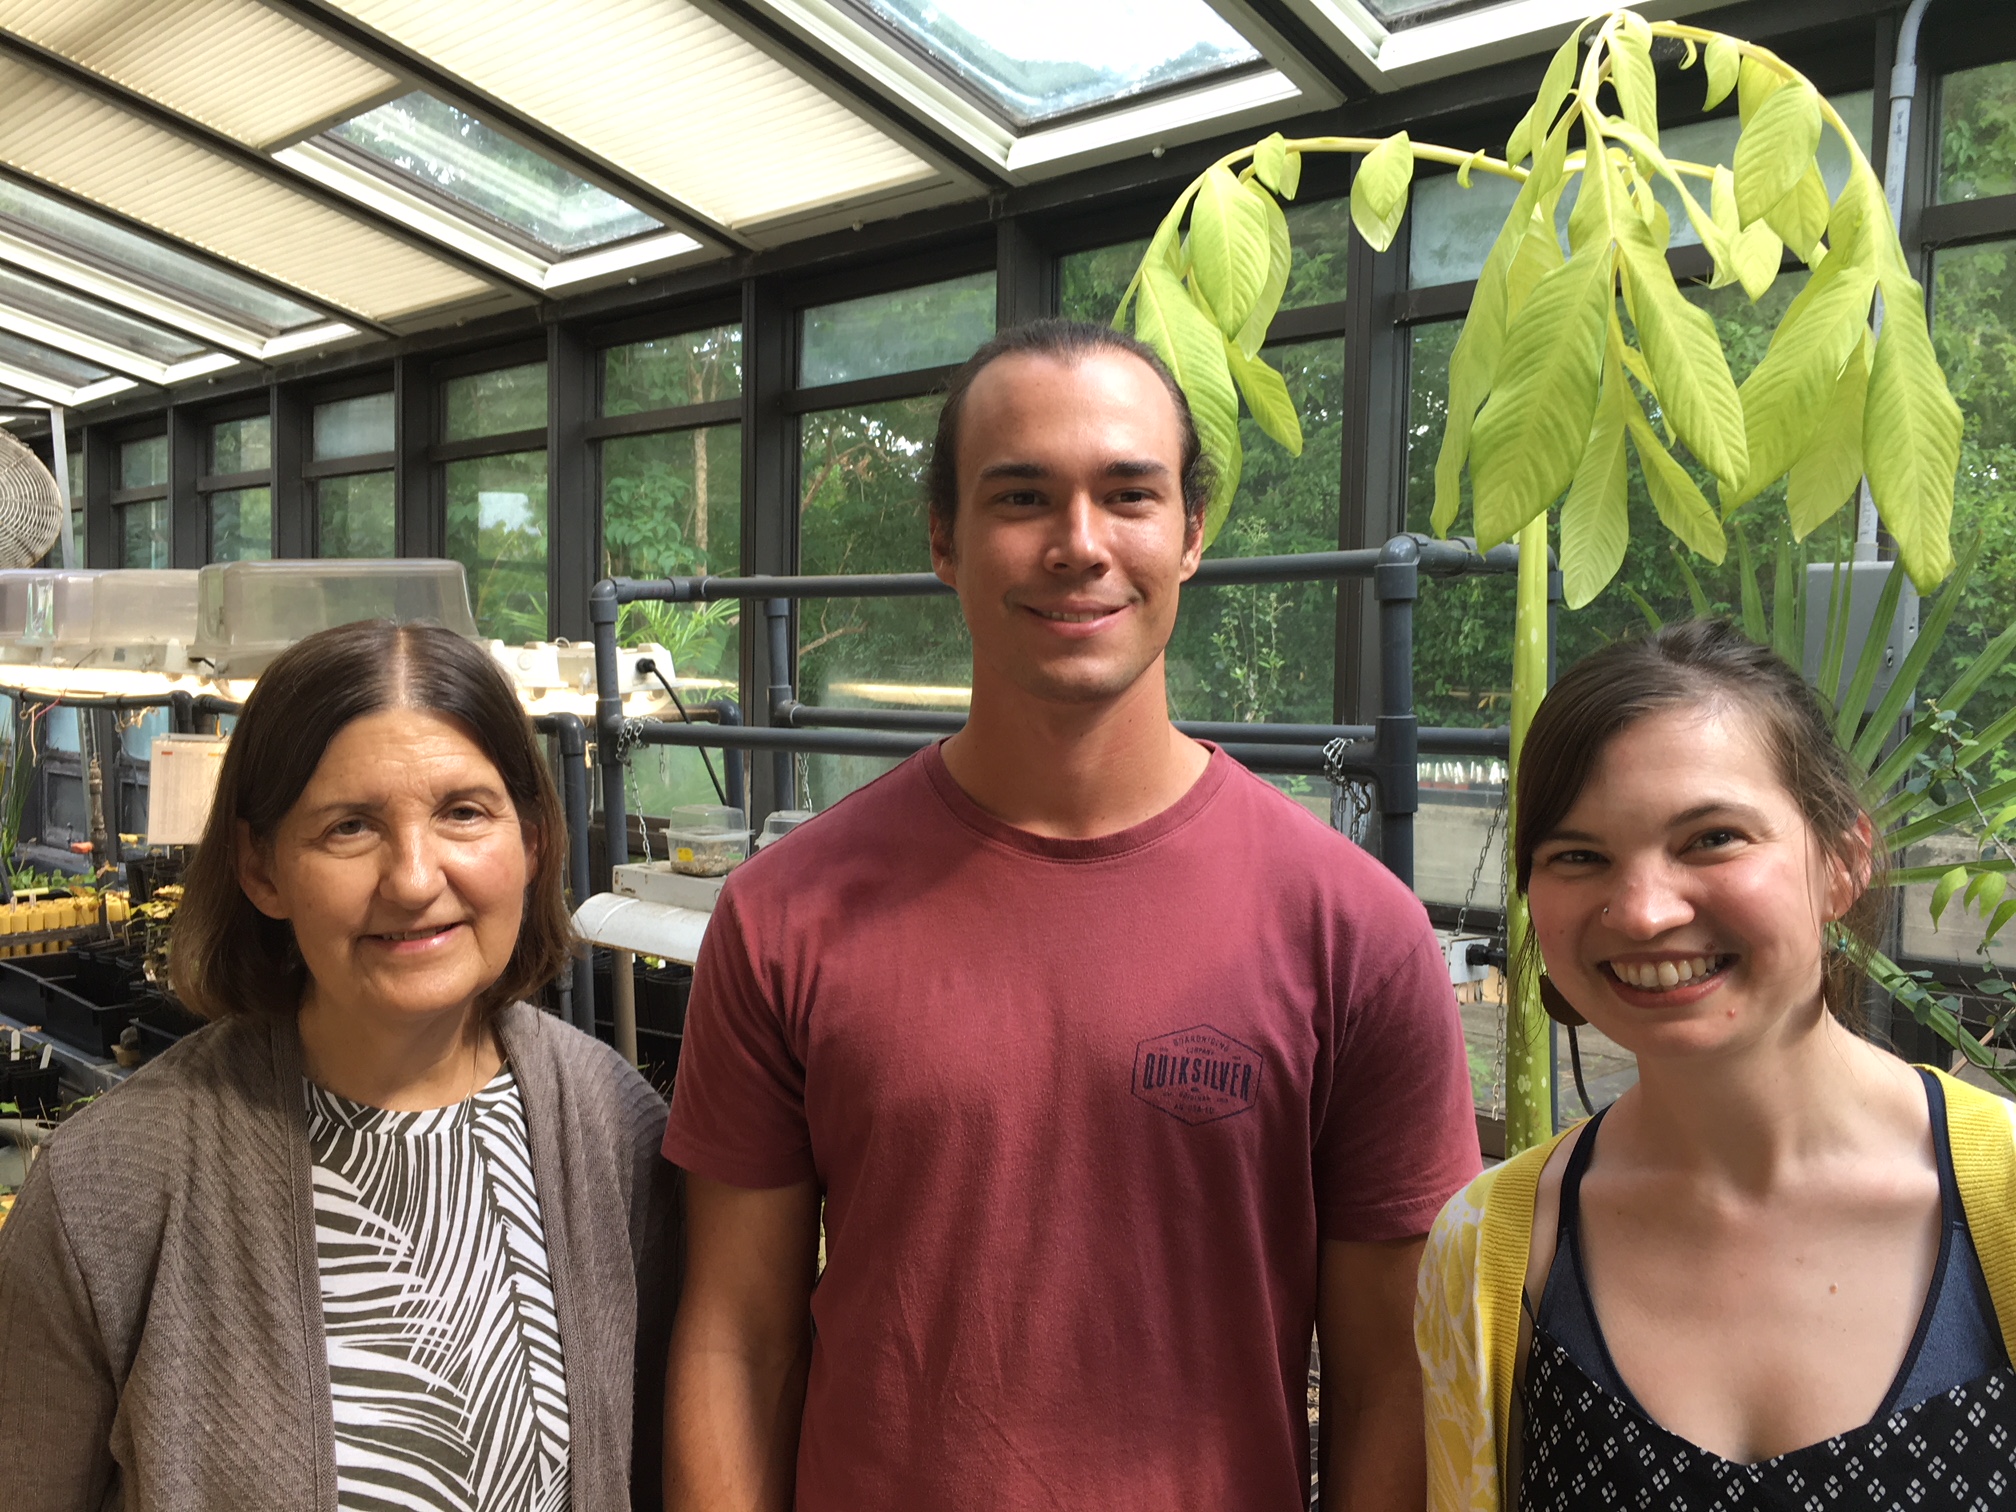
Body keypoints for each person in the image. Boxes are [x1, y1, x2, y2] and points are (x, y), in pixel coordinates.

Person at [660, 317, 1480, 1511]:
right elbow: (740, 1341)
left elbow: (1386, 1391)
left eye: (1129, 494)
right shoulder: (786, 915)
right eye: (1023, 498)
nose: (1080, 545)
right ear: (944, 537)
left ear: (1191, 533)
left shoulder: (1353, 933)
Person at [0, 622, 677, 1512]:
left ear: (535, 840)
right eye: (349, 827)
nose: (412, 877)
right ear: (260, 867)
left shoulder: (615, 1133)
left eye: (464, 812)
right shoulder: (109, 1189)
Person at [1417, 619, 2016, 1511]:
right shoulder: (1490, 1252)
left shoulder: (2001, 1199)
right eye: (1580, 856)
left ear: (1842, 861)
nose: (1645, 912)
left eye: (1712, 838)